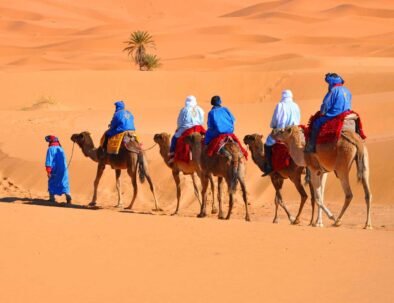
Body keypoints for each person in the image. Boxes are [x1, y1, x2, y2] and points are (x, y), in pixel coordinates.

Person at [305, 73, 352, 153]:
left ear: (331, 83)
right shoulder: (347, 90)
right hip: (347, 113)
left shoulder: (333, 91)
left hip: (334, 114)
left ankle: (311, 147)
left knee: (316, 123)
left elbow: (326, 105)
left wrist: (322, 113)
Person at [263, 89, 301, 176]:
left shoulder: (280, 105)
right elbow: (298, 117)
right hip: (295, 130)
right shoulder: (295, 105)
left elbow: (276, 119)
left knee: (268, 143)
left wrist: (273, 125)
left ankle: (269, 166)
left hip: (283, 131)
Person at [45, 135, 72, 203]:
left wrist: (48, 171)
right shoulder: (61, 149)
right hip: (64, 170)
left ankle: (52, 198)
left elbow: (49, 161)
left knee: (51, 182)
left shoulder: (50, 149)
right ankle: (68, 197)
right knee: (64, 182)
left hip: (55, 170)